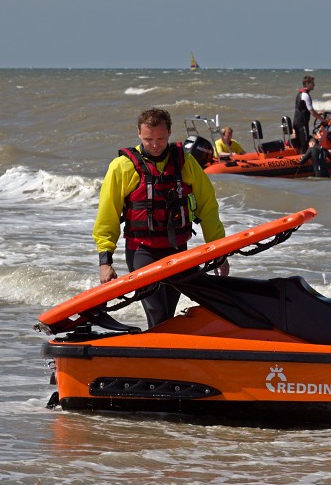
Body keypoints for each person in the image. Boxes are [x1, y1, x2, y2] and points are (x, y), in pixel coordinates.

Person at [94, 107, 230, 327]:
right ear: (139, 134)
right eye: (149, 139)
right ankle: (157, 354)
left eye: (161, 139)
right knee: (157, 310)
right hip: (142, 251)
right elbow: (107, 215)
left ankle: (167, 353)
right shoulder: (123, 166)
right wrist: (105, 260)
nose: (155, 145)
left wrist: (219, 251)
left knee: (168, 313)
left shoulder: (185, 162)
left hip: (177, 251)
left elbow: (207, 206)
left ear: (169, 133)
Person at [293, 75, 324, 152]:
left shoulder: (300, 94)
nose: (314, 85)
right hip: (302, 124)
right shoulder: (305, 95)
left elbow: (303, 109)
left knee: (302, 143)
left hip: (297, 122)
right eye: (312, 83)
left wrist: (318, 113)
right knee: (304, 143)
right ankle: (302, 160)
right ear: (307, 84)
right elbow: (312, 112)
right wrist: (323, 120)